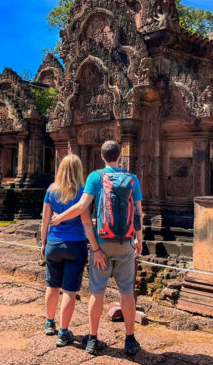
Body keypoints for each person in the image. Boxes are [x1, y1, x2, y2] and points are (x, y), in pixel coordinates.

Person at [51, 140, 143, 356]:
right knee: (127, 292)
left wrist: (58, 219)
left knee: (97, 291)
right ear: (120, 156)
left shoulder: (95, 177)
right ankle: (130, 339)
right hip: (126, 243)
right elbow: (139, 212)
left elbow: (82, 207)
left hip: (101, 243)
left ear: (102, 157)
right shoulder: (132, 178)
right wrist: (138, 239)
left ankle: (92, 338)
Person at [41, 154, 105, 347]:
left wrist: (43, 243)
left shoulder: (51, 191)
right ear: (79, 170)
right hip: (75, 244)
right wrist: (96, 247)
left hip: (53, 242)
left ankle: (49, 323)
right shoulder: (81, 192)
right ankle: (63, 332)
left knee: (52, 285)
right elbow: (86, 222)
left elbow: (45, 220)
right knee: (69, 290)